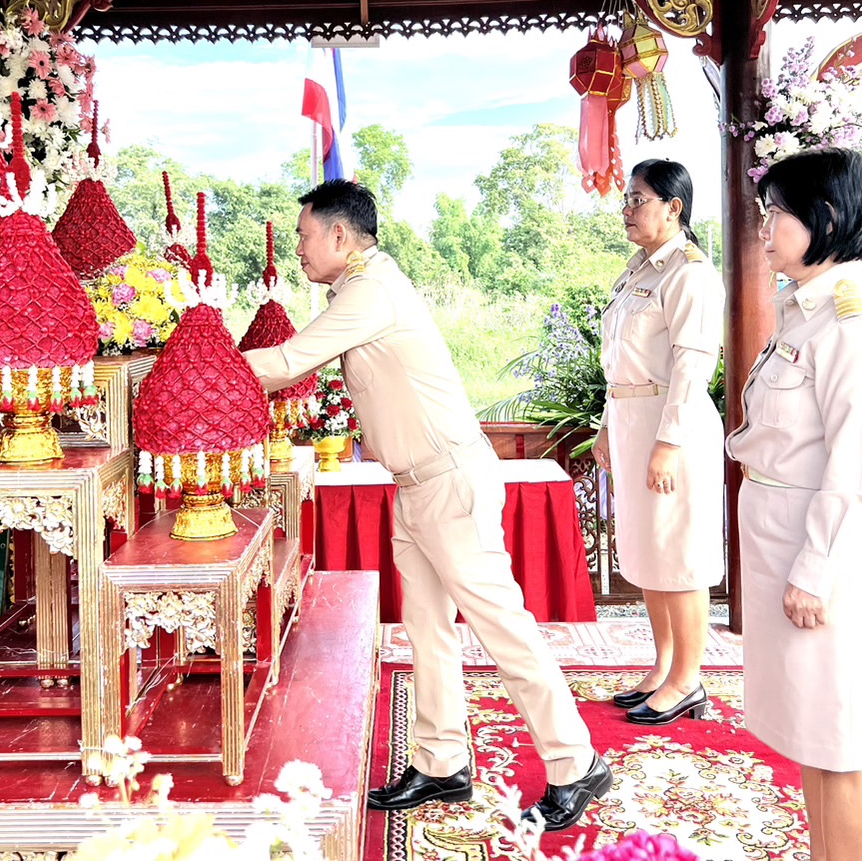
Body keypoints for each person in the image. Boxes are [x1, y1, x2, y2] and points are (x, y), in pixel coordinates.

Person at [243, 180, 613, 831]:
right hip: (415, 483)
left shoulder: (370, 289)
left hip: (448, 480)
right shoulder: (359, 286)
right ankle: (441, 763)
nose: (298, 249)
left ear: (337, 234)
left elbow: (289, 361)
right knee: (427, 629)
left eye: (302, 235)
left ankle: (575, 761)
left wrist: (194, 360)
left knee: (503, 626)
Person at [724, 148, 862, 861]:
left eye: (777, 214)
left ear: (824, 218)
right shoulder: (807, 309)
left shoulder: (851, 321)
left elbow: (854, 462)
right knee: (809, 730)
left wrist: (814, 567)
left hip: (823, 544)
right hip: (784, 534)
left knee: (840, 735)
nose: (764, 229)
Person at [591, 159, 724, 725]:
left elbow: (693, 365)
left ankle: (688, 680)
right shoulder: (640, 271)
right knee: (649, 552)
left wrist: (668, 442)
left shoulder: (689, 273)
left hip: (674, 425)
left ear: (674, 207)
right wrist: (605, 422)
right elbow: (620, 360)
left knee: (681, 554)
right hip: (632, 419)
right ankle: (665, 663)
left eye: (638, 199)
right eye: (626, 199)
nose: (628, 210)